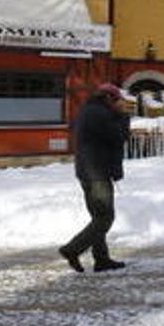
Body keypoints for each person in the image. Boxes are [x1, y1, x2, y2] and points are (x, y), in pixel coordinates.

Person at [59, 83, 130, 273]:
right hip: (97, 173)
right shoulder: (99, 114)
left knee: (97, 218)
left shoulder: (91, 111)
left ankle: (101, 259)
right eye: (117, 100)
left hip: (89, 172)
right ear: (108, 98)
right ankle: (72, 249)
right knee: (105, 218)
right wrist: (123, 115)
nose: (119, 104)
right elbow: (119, 136)